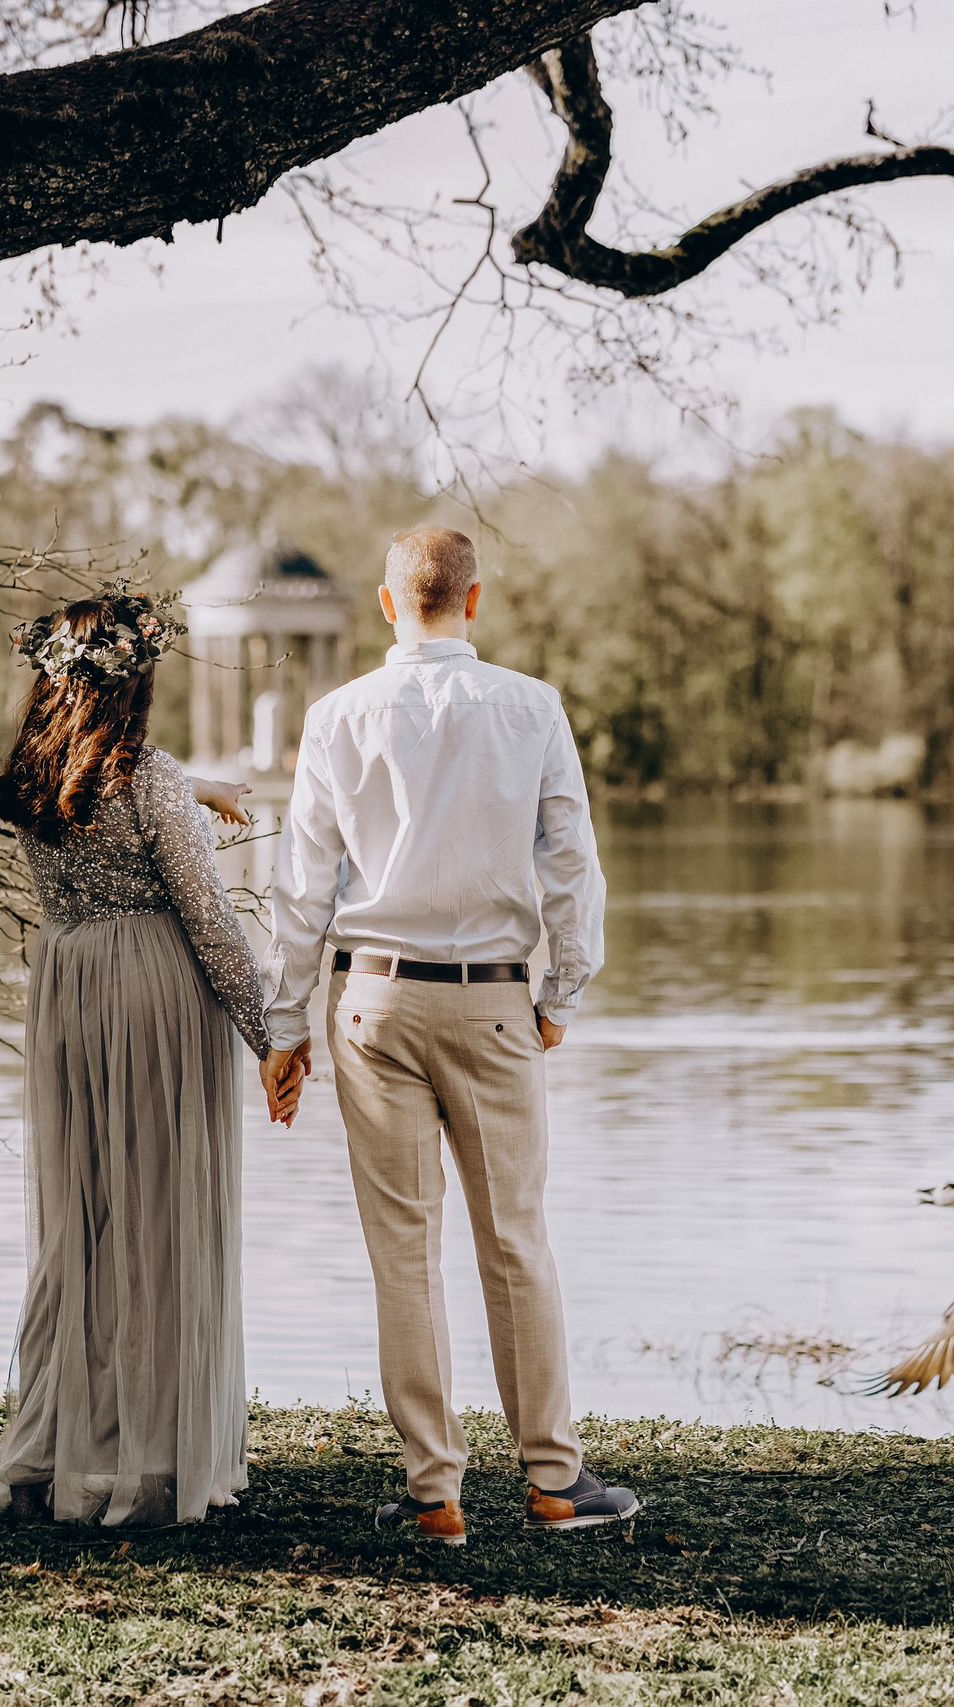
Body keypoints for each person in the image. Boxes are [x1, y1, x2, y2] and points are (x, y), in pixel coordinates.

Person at [262, 526, 639, 1547]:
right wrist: (560, 994)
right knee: (514, 1239)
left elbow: (301, 891)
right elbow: (573, 868)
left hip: (372, 1004)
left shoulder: (335, 717)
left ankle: (435, 1496)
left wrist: (283, 1025)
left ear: (390, 606)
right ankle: (555, 1483)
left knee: (404, 1252)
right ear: (472, 602)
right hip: (491, 1001)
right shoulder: (532, 708)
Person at [0, 589, 293, 1530]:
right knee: (163, 1215)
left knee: (90, 1218)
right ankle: (154, 1454)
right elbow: (210, 920)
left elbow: (112, 794)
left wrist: (197, 789)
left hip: (71, 987)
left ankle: (63, 1441)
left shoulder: (34, 775)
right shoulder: (148, 779)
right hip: (153, 997)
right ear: (133, 683)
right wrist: (269, 1033)